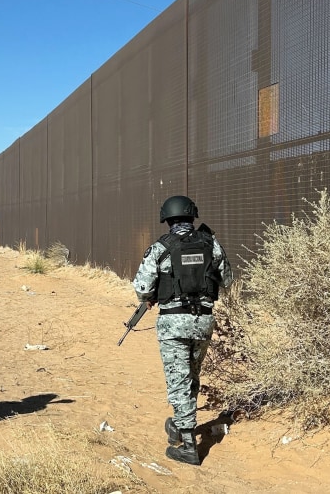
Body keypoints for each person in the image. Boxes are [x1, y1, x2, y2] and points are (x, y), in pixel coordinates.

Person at [132, 195, 233, 466]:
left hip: (173, 324)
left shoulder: (160, 248)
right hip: (203, 322)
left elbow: (142, 288)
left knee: (178, 380)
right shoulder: (211, 244)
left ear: (167, 218)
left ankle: (189, 446)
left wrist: (156, 293)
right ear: (192, 216)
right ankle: (179, 424)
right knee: (191, 375)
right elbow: (228, 279)